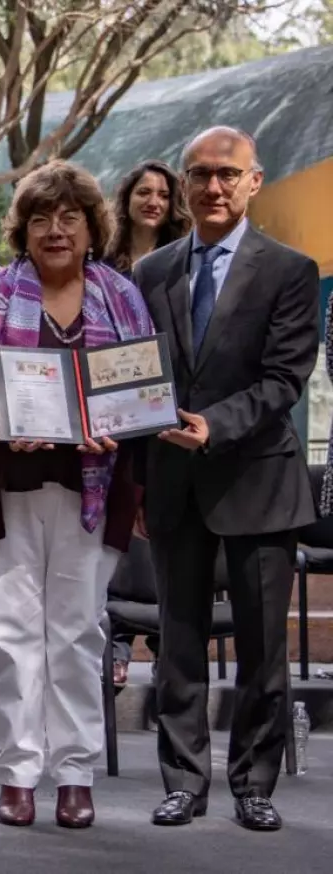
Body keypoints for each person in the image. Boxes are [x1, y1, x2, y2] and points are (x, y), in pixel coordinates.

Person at [0, 160, 153, 830]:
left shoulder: (123, 297)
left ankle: (74, 773)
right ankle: (17, 772)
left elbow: (142, 387)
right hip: (5, 485)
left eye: (69, 216)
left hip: (92, 487)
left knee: (77, 632)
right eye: (40, 217)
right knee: (10, 636)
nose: (55, 229)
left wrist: (119, 432)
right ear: (23, 229)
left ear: (93, 227)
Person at [136, 127, 319, 832]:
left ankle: (255, 784)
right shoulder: (152, 273)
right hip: (173, 484)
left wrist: (215, 424)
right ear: (184, 185)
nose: (213, 187)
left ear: (254, 181)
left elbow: (284, 379)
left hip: (261, 485)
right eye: (200, 174)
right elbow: (136, 376)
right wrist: (136, 480)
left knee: (263, 655)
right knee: (176, 648)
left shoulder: (291, 270)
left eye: (227, 174)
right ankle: (183, 781)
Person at [103, 159, 192, 685]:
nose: (153, 200)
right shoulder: (106, 263)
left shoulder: (186, 262)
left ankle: (165, 649)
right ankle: (115, 646)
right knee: (121, 526)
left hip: (168, 410)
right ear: (128, 198)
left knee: (166, 529)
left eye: (163, 193)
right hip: (116, 409)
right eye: (144, 191)